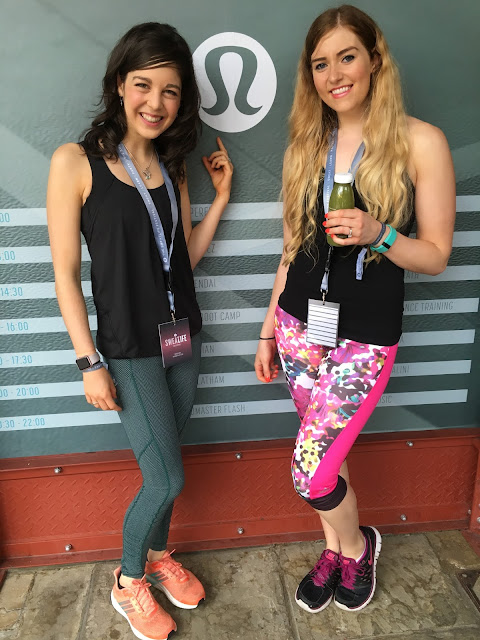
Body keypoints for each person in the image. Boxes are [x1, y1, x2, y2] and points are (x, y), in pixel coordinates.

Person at [255, 4, 455, 614]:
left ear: (375, 60)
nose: (334, 74)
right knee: (328, 457)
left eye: (347, 57)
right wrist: (267, 329)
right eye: (320, 64)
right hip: (298, 326)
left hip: (365, 337)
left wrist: (379, 233)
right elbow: (292, 247)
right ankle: (340, 551)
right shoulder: (307, 144)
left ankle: (360, 544)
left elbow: (436, 255)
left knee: (310, 469)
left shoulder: (422, 141)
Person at [47, 22, 232, 640]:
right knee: (167, 478)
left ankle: (157, 557)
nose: (156, 102)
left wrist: (220, 198)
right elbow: (65, 274)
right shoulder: (75, 162)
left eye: (170, 90)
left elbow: (181, 259)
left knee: (168, 462)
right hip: (128, 349)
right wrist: (88, 362)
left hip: (182, 338)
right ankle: (129, 581)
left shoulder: (171, 166)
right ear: (120, 85)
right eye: (143, 85)